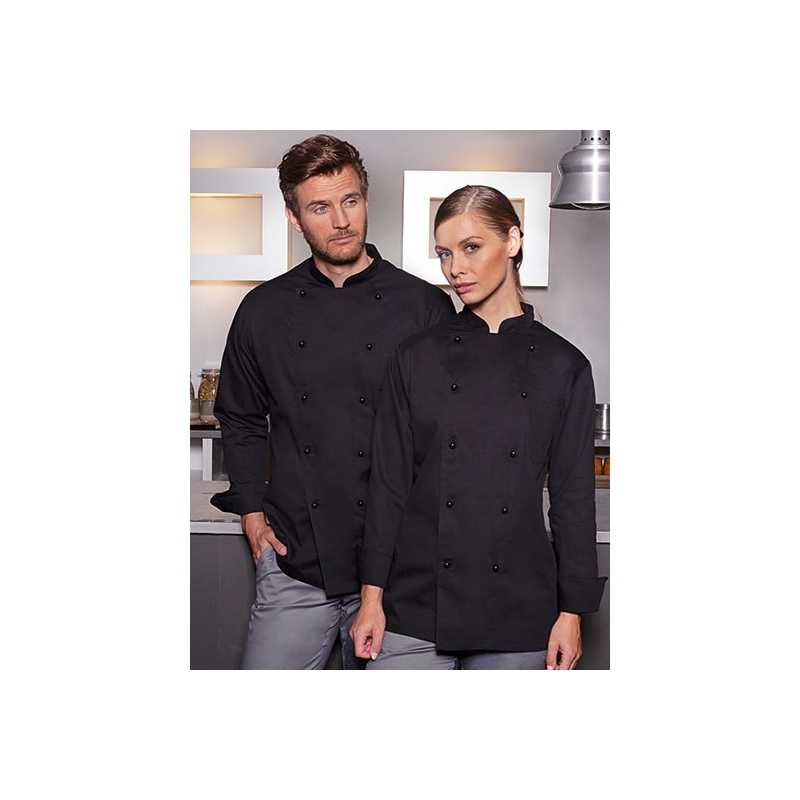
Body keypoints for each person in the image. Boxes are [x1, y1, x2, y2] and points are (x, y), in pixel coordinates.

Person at [210, 135, 456, 669]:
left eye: (351, 201)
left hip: (404, 568)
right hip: (297, 559)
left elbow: (449, 440)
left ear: (366, 199)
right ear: (294, 218)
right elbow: (241, 416)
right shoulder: (262, 310)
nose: (341, 221)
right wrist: (251, 513)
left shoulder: (426, 308)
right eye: (321, 207)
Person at [350, 184, 606, 669]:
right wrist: (371, 599)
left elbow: (573, 499)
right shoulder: (415, 356)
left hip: (518, 606)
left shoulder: (564, 366)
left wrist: (571, 613)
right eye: (445, 253)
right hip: (415, 600)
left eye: (471, 247)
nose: (455, 269)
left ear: (512, 241)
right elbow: (387, 486)